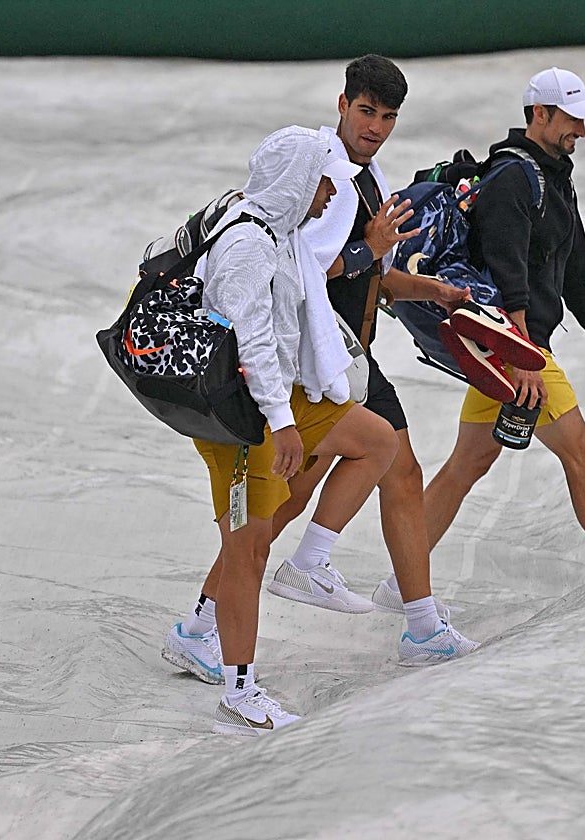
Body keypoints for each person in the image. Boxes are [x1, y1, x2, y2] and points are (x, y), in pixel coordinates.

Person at [164, 57, 479, 694]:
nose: (377, 127)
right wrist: (370, 250)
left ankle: (211, 623)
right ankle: (338, 608)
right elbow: (314, 268)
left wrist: (429, 289)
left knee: (318, 491)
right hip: (321, 364)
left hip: (330, 361)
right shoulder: (316, 174)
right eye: (367, 112)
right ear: (342, 104)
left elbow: (361, 275)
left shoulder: (359, 176)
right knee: (294, 505)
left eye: (388, 117)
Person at [181, 125, 398, 735]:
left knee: (375, 440)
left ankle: (200, 628)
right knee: (248, 547)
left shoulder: (278, 234)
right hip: (244, 422)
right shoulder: (250, 244)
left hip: (278, 402)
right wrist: (282, 426)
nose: (333, 195)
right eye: (325, 182)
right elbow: (251, 344)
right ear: (298, 181)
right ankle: (240, 689)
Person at [422, 67, 585, 566]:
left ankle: (403, 577)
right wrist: (522, 355)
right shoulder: (512, 178)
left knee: (469, 461)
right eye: (572, 118)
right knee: (583, 457)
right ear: (540, 114)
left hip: (509, 344)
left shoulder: (555, 181)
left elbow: (578, 274)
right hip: (516, 344)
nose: (583, 131)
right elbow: (509, 279)